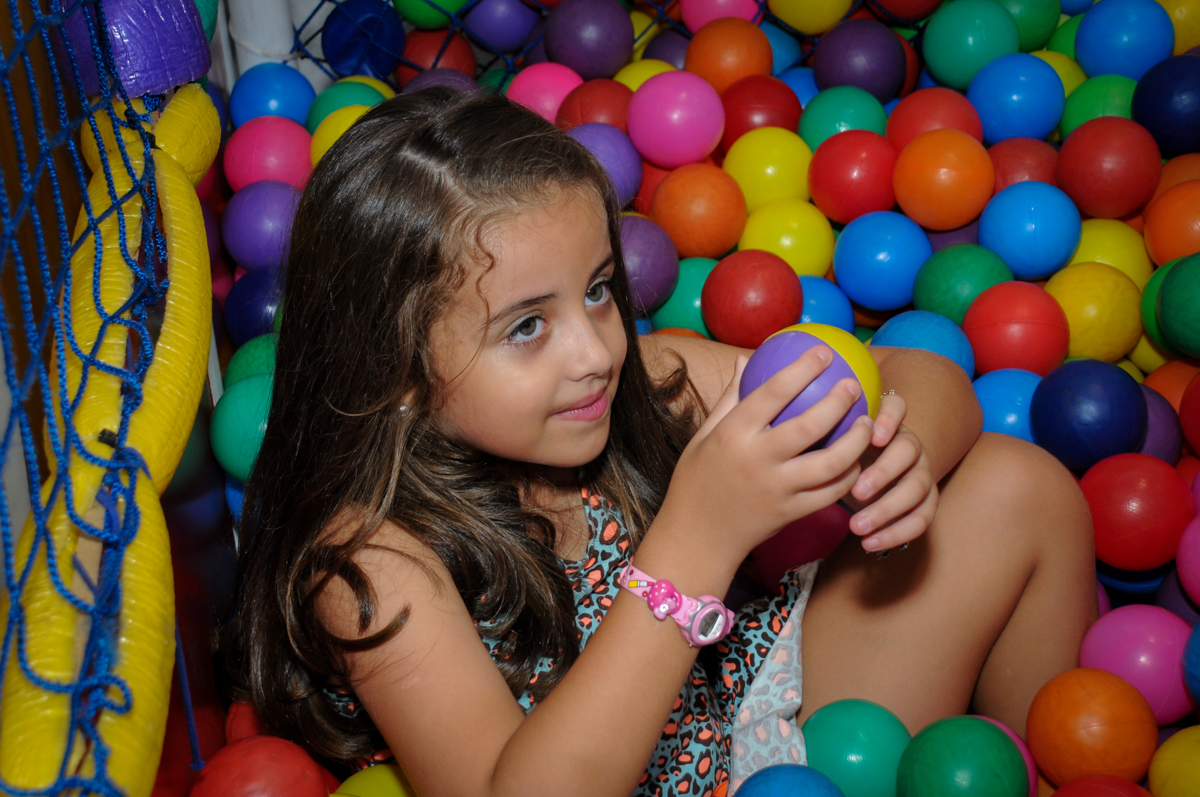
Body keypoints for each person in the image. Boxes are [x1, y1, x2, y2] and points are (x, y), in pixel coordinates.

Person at [224, 88, 1096, 797]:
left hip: (746, 732)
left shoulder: (633, 378)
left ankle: (1061, 768)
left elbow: (918, 374)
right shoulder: (368, 559)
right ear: (397, 369)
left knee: (1017, 485)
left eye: (598, 289)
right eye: (527, 325)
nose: (594, 351)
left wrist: (897, 454)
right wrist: (698, 538)